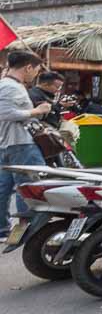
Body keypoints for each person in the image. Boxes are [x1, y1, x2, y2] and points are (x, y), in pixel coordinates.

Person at [0, 51, 52, 239]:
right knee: (30, 187)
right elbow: (5, 113)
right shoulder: (10, 87)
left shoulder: (9, 85)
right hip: (21, 143)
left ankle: (6, 230)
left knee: (5, 187)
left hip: (8, 144)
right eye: (36, 70)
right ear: (28, 67)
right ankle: (29, 230)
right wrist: (36, 110)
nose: (36, 74)